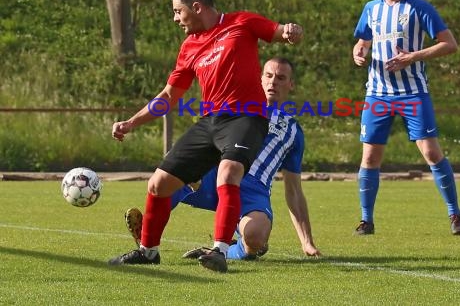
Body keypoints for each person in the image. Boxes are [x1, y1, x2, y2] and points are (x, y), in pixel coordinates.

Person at [108, 0, 304, 273]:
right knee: (158, 184)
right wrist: (133, 122)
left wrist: (291, 31)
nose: (176, 19)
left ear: (196, 7)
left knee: (229, 173)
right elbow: (169, 95)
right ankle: (148, 251)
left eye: (177, 11)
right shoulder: (189, 46)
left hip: (247, 118)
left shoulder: (241, 22)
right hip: (211, 122)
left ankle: (220, 250)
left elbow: (280, 32)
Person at [124, 57, 321, 260]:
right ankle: (147, 237)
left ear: (291, 84)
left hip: (253, 191)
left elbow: (294, 191)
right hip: (215, 178)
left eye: (281, 78)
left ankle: (236, 248)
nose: (273, 82)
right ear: (259, 78)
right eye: (269, 76)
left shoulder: (293, 131)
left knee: (255, 237)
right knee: (175, 175)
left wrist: (307, 242)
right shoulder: (235, 108)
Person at [352, 0, 460, 236]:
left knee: (431, 152)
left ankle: (455, 214)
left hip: (413, 93)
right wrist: (359, 51)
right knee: (369, 158)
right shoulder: (371, 8)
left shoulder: (419, 8)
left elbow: (449, 44)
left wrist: (412, 57)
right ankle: (366, 220)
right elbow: (363, 40)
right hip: (377, 95)